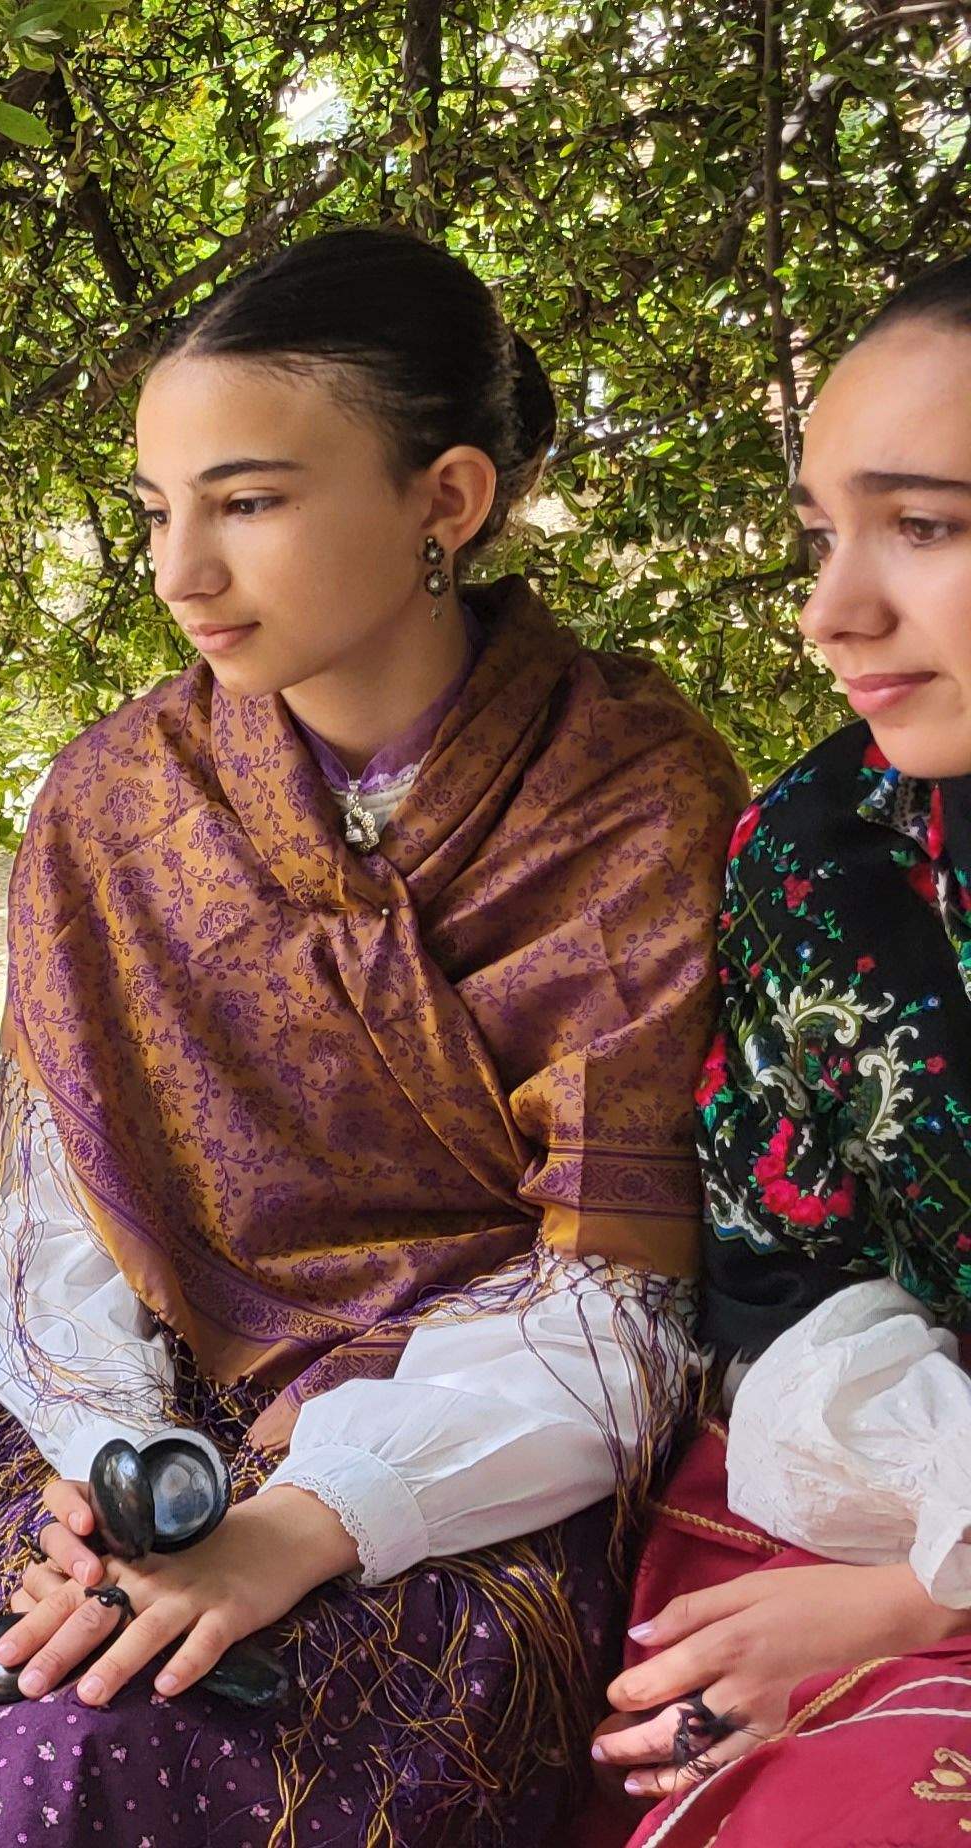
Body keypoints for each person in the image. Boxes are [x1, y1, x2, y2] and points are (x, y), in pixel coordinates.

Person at [0, 229, 744, 1848]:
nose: (183, 571)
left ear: (447, 501)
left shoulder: (632, 788)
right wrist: (130, 1463)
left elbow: (617, 1293)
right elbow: (56, 1247)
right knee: (42, 1737)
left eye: (247, 502)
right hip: (129, 1412)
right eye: (157, 512)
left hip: (485, 1443)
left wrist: (319, 1513)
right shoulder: (111, 806)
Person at [566, 256, 971, 1846]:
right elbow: (786, 1290)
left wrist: (913, 1600)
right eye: (820, 535)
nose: (832, 612)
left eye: (926, 527)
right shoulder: (824, 856)